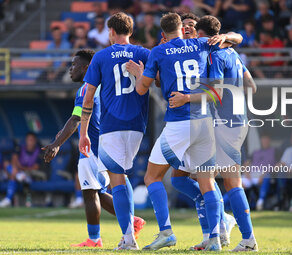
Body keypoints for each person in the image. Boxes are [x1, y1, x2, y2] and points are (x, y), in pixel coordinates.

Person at [126, 12, 242, 251]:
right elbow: (237, 39)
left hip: (179, 124)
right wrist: (225, 36)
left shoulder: (159, 51)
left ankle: (166, 232)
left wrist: (139, 74)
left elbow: (141, 90)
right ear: (182, 28)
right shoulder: (200, 43)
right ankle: (214, 239)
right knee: (205, 181)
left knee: (152, 177)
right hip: (205, 123)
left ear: (163, 34)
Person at [42, 49, 145, 247]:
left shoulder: (86, 89)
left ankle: (94, 239)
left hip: (91, 146)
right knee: (97, 191)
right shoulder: (104, 86)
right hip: (106, 144)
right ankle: (131, 220)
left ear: (87, 67)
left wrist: (56, 144)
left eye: (74, 65)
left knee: (89, 192)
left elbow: (76, 119)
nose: (70, 69)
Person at [79, 12, 150, 250]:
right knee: (123, 177)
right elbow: (158, 81)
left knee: (116, 181)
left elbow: (88, 96)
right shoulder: (143, 53)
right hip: (138, 125)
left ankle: (128, 238)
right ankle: (128, 232)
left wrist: (83, 132)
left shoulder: (100, 57)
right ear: (131, 31)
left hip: (112, 126)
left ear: (111, 31)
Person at [194, 15, 258, 252]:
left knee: (221, 181)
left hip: (224, 123)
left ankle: (239, 236)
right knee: (222, 180)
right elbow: (251, 86)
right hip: (239, 121)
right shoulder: (233, 52)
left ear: (204, 36)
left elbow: (216, 91)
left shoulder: (214, 54)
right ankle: (229, 231)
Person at [0, 133, 41, 208]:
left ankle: (8, 199)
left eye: (31, 140)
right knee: (7, 165)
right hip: (17, 173)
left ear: (35, 141)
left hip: (29, 175)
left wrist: (22, 169)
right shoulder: (20, 148)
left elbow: (36, 167)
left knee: (13, 176)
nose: (30, 142)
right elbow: (14, 159)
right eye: (28, 140)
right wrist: (16, 169)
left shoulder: (38, 151)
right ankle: (18, 176)